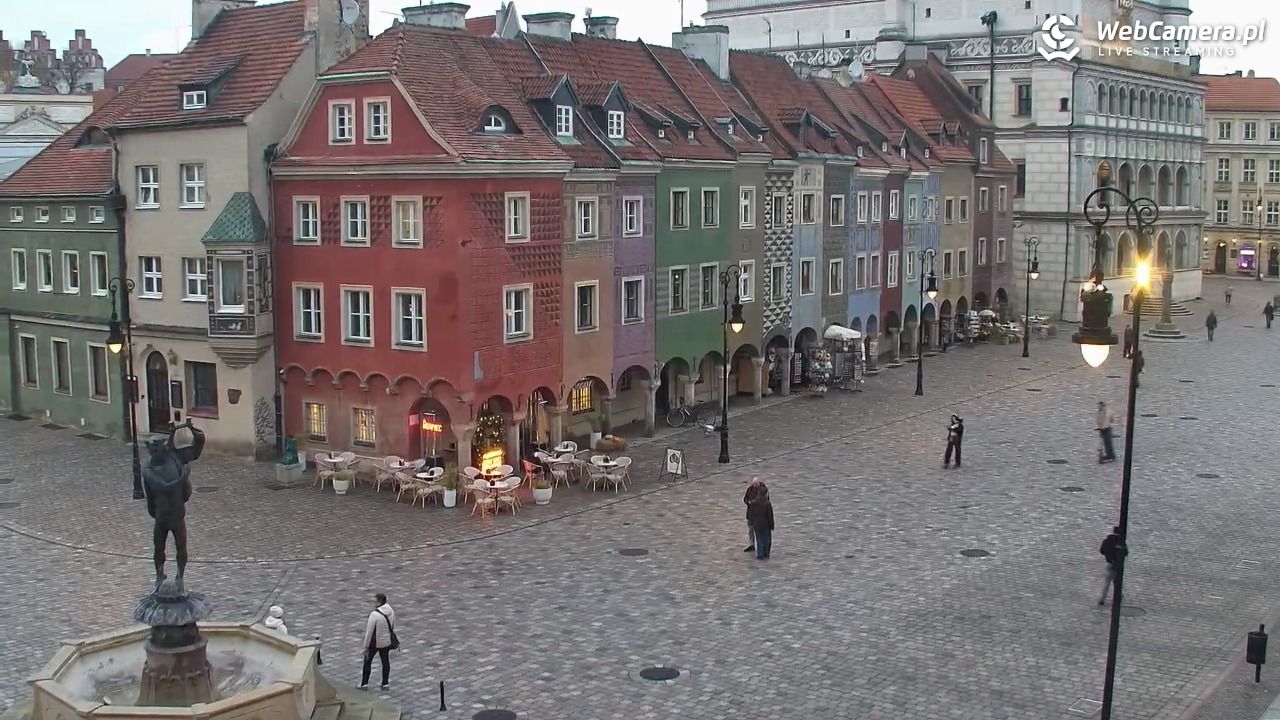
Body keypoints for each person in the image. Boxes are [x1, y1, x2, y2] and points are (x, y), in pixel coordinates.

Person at [360, 593, 396, 691]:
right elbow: (392, 625)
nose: (373, 603)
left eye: (375, 601)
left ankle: (364, 684)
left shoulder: (374, 614)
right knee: (385, 661)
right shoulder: (391, 611)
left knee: (367, 662)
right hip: (386, 641)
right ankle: (385, 683)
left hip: (375, 643)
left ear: (379, 602)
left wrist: (365, 647)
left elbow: (369, 632)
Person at [746, 485, 775, 560]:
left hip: (757, 524)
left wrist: (751, 522)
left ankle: (760, 554)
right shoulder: (767, 503)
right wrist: (772, 525)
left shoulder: (754, 503)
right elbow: (770, 515)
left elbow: (751, 513)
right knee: (767, 539)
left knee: (759, 539)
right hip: (766, 525)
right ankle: (766, 553)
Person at [1098, 526, 1124, 606]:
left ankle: (1102, 598)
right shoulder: (1120, 541)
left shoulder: (1107, 541)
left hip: (1109, 564)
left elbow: (1102, 550)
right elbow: (1125, 552)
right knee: (1116, 582)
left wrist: (1108, 556)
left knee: (1107, 582)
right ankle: (1118, 597)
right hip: (1117, 565)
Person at [742, 478, 767, 553]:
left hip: (758, 515)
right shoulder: (750, 489)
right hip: (750, 513)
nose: (754, 486)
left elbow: (763, 500)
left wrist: (753, 502)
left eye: (755, 485)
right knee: (750, 529)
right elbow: (745, 498)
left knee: (759, 531)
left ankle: (761, 547)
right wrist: (748, 502)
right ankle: (752, 545)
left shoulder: (763, 490)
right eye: (753, 485)